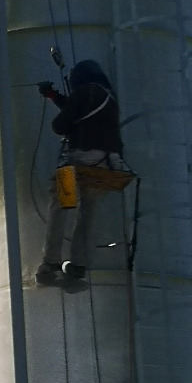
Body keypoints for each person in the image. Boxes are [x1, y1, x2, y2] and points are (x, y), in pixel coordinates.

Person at [35, 58, 125, 289]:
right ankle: (77, 266)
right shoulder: (109, 99)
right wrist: (55, 97)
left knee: (62, 204)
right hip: (107, 166)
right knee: (88, 212)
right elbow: (79, 112)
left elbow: (60, 125)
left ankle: (51, 263)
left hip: (79, 162)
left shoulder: (82, 92)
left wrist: (57, 101)